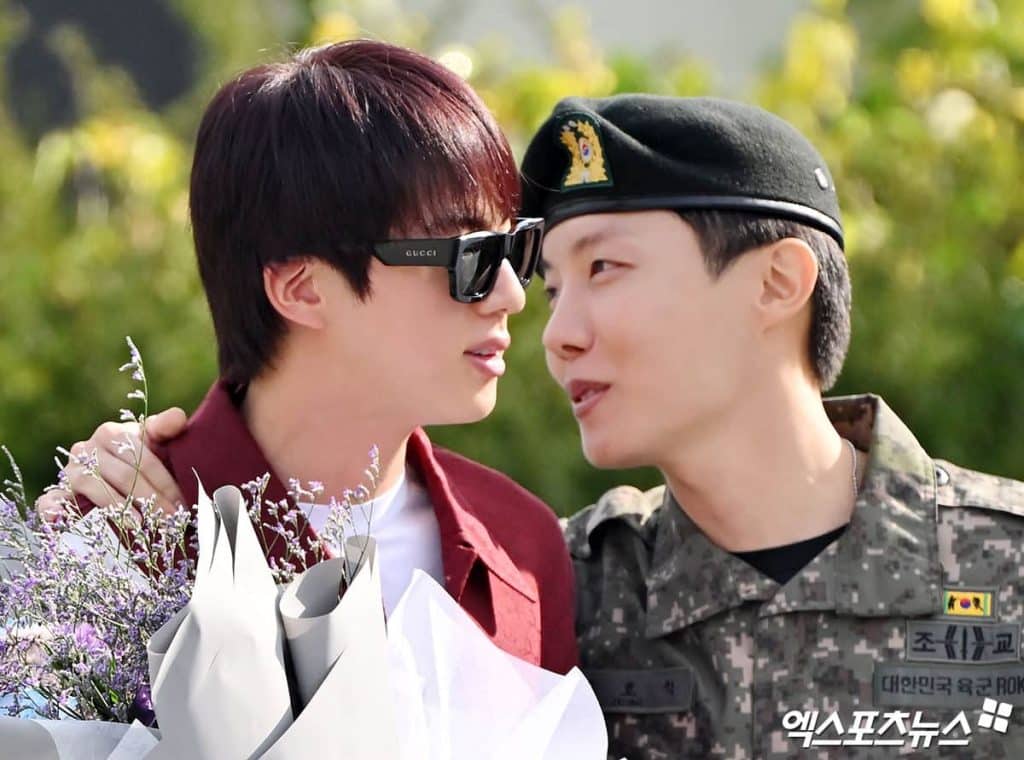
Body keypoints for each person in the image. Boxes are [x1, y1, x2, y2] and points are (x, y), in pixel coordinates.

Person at [37, 40, 577, 674]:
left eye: (515, 248)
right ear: (302, 288)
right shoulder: (117, 527)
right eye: (472, 257)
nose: (511, 295)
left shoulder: (520, 544)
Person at [520, 94, 1024, 757]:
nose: (557, 335)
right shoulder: (552, 598)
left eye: (603, 268)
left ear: (778, 282)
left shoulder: (1006, 567)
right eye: (554, 290)